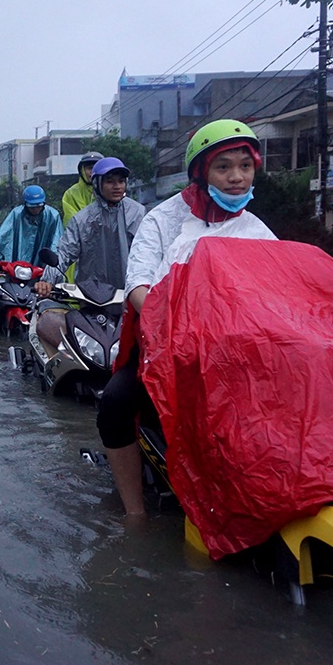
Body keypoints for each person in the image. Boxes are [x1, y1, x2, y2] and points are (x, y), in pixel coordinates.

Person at [98, 119, 276, 519]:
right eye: (224, 166)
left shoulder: (259, 232)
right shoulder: (162, 219)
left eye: (245, 166)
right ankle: (135, 513)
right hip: (166, 349)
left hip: (234, 355)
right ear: (201, 172)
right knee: (114, 403)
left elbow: (282, 295)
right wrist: (176, 322)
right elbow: (138, 286)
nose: (237, 177)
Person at [36, 157, 145, 295]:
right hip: (91, 297)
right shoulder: (82, 219)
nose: (117, 186)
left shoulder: (137, 213)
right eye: (110, 181)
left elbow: (148, 252)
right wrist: (47, 280)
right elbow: (65, 252)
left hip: (131, 294)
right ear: (97, 184)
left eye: (121, 181)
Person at [0, 185, 62, 271]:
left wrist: (55, 262)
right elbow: (3, 234)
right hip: (16, 269)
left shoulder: (53, 216)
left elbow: (57, 241)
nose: (35, 209)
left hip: (43, 270)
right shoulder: (17, 214)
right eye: (32, 207)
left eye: (38, 206)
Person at [61, 151, 104, 227]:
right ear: (82, 170)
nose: (93, 172)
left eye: (96, 168)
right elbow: (72, 221)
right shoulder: (71, 193)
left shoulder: (111, 191)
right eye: (89, 168)